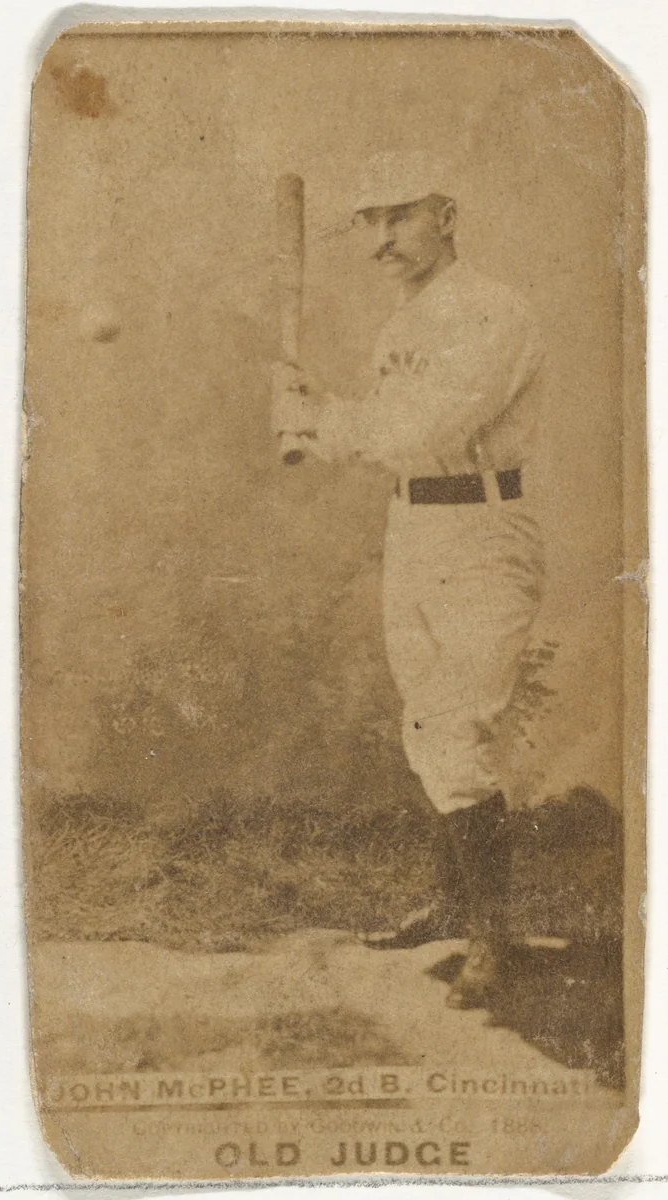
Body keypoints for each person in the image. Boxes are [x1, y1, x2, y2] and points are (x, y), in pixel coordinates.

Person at [271, 151, 546, 1009]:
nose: (381, 237)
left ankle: (490, 939)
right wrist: (304, 418)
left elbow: (424, 422)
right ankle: (454, 903)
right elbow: (378, 436)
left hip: (483, 526)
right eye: (367, 220)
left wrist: (327, 421)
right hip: (416, 522)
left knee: (460, 727)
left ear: (447, 214)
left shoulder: (495, 311)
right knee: (426, 718)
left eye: (400, 215)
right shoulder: (402, 325)